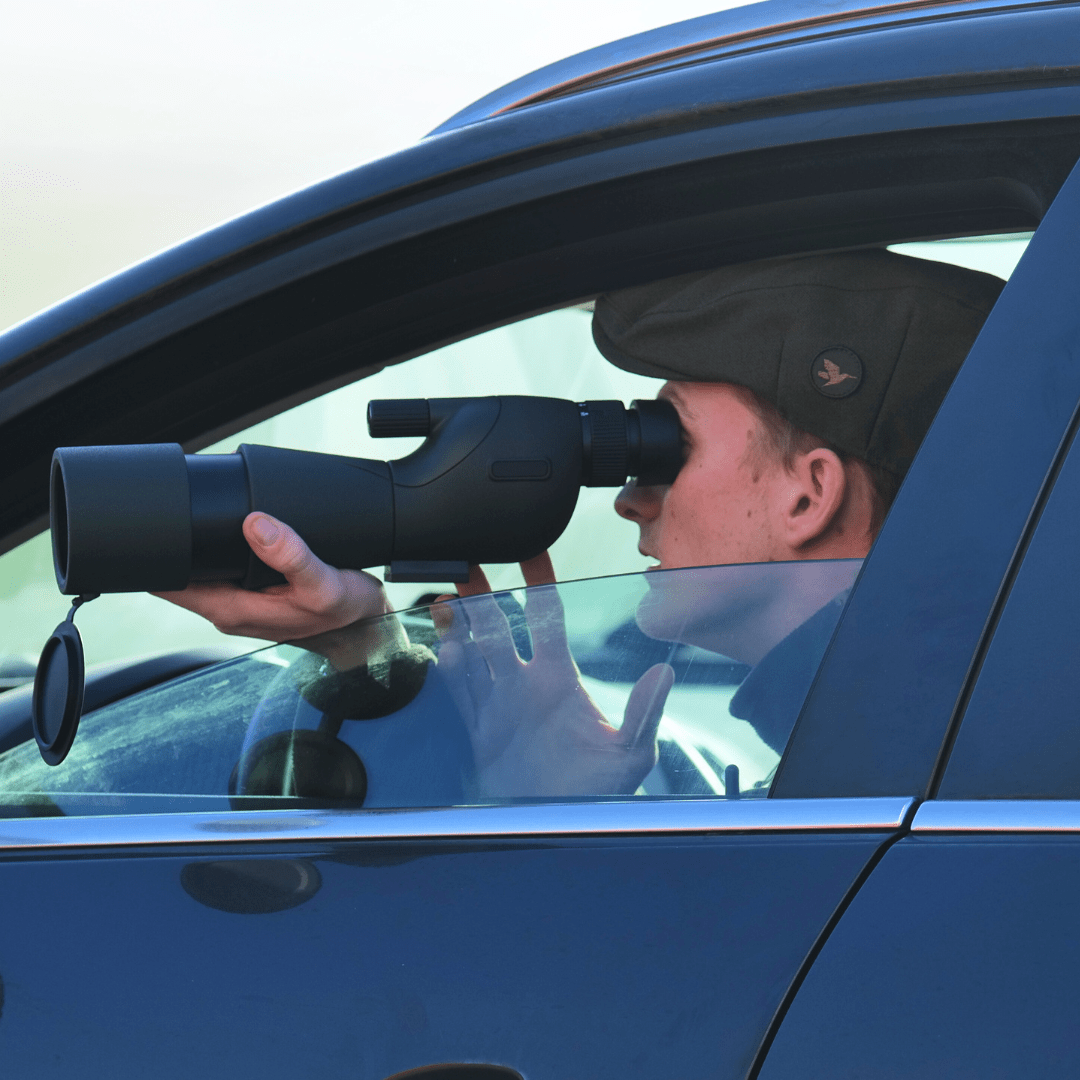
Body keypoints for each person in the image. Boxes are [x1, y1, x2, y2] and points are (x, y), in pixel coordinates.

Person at [157, 248, 1005, 797]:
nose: (630, 498)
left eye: (668, 443)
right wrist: (368, 651)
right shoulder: (924, 737)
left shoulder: (913, 774)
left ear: (807, 494)